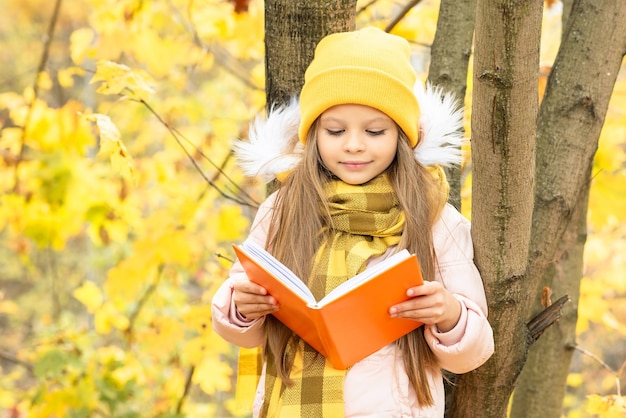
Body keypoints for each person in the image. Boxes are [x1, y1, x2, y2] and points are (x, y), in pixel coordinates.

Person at [212, 26, 494, 418]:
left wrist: (448, 314)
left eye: (375, 130)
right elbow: (240, 324)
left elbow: (475, 350)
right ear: (312, 135)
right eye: (335, 130)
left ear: (402, 135)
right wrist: (241, 306)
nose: (354, 144)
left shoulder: (434, 217)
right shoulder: (283, 209)